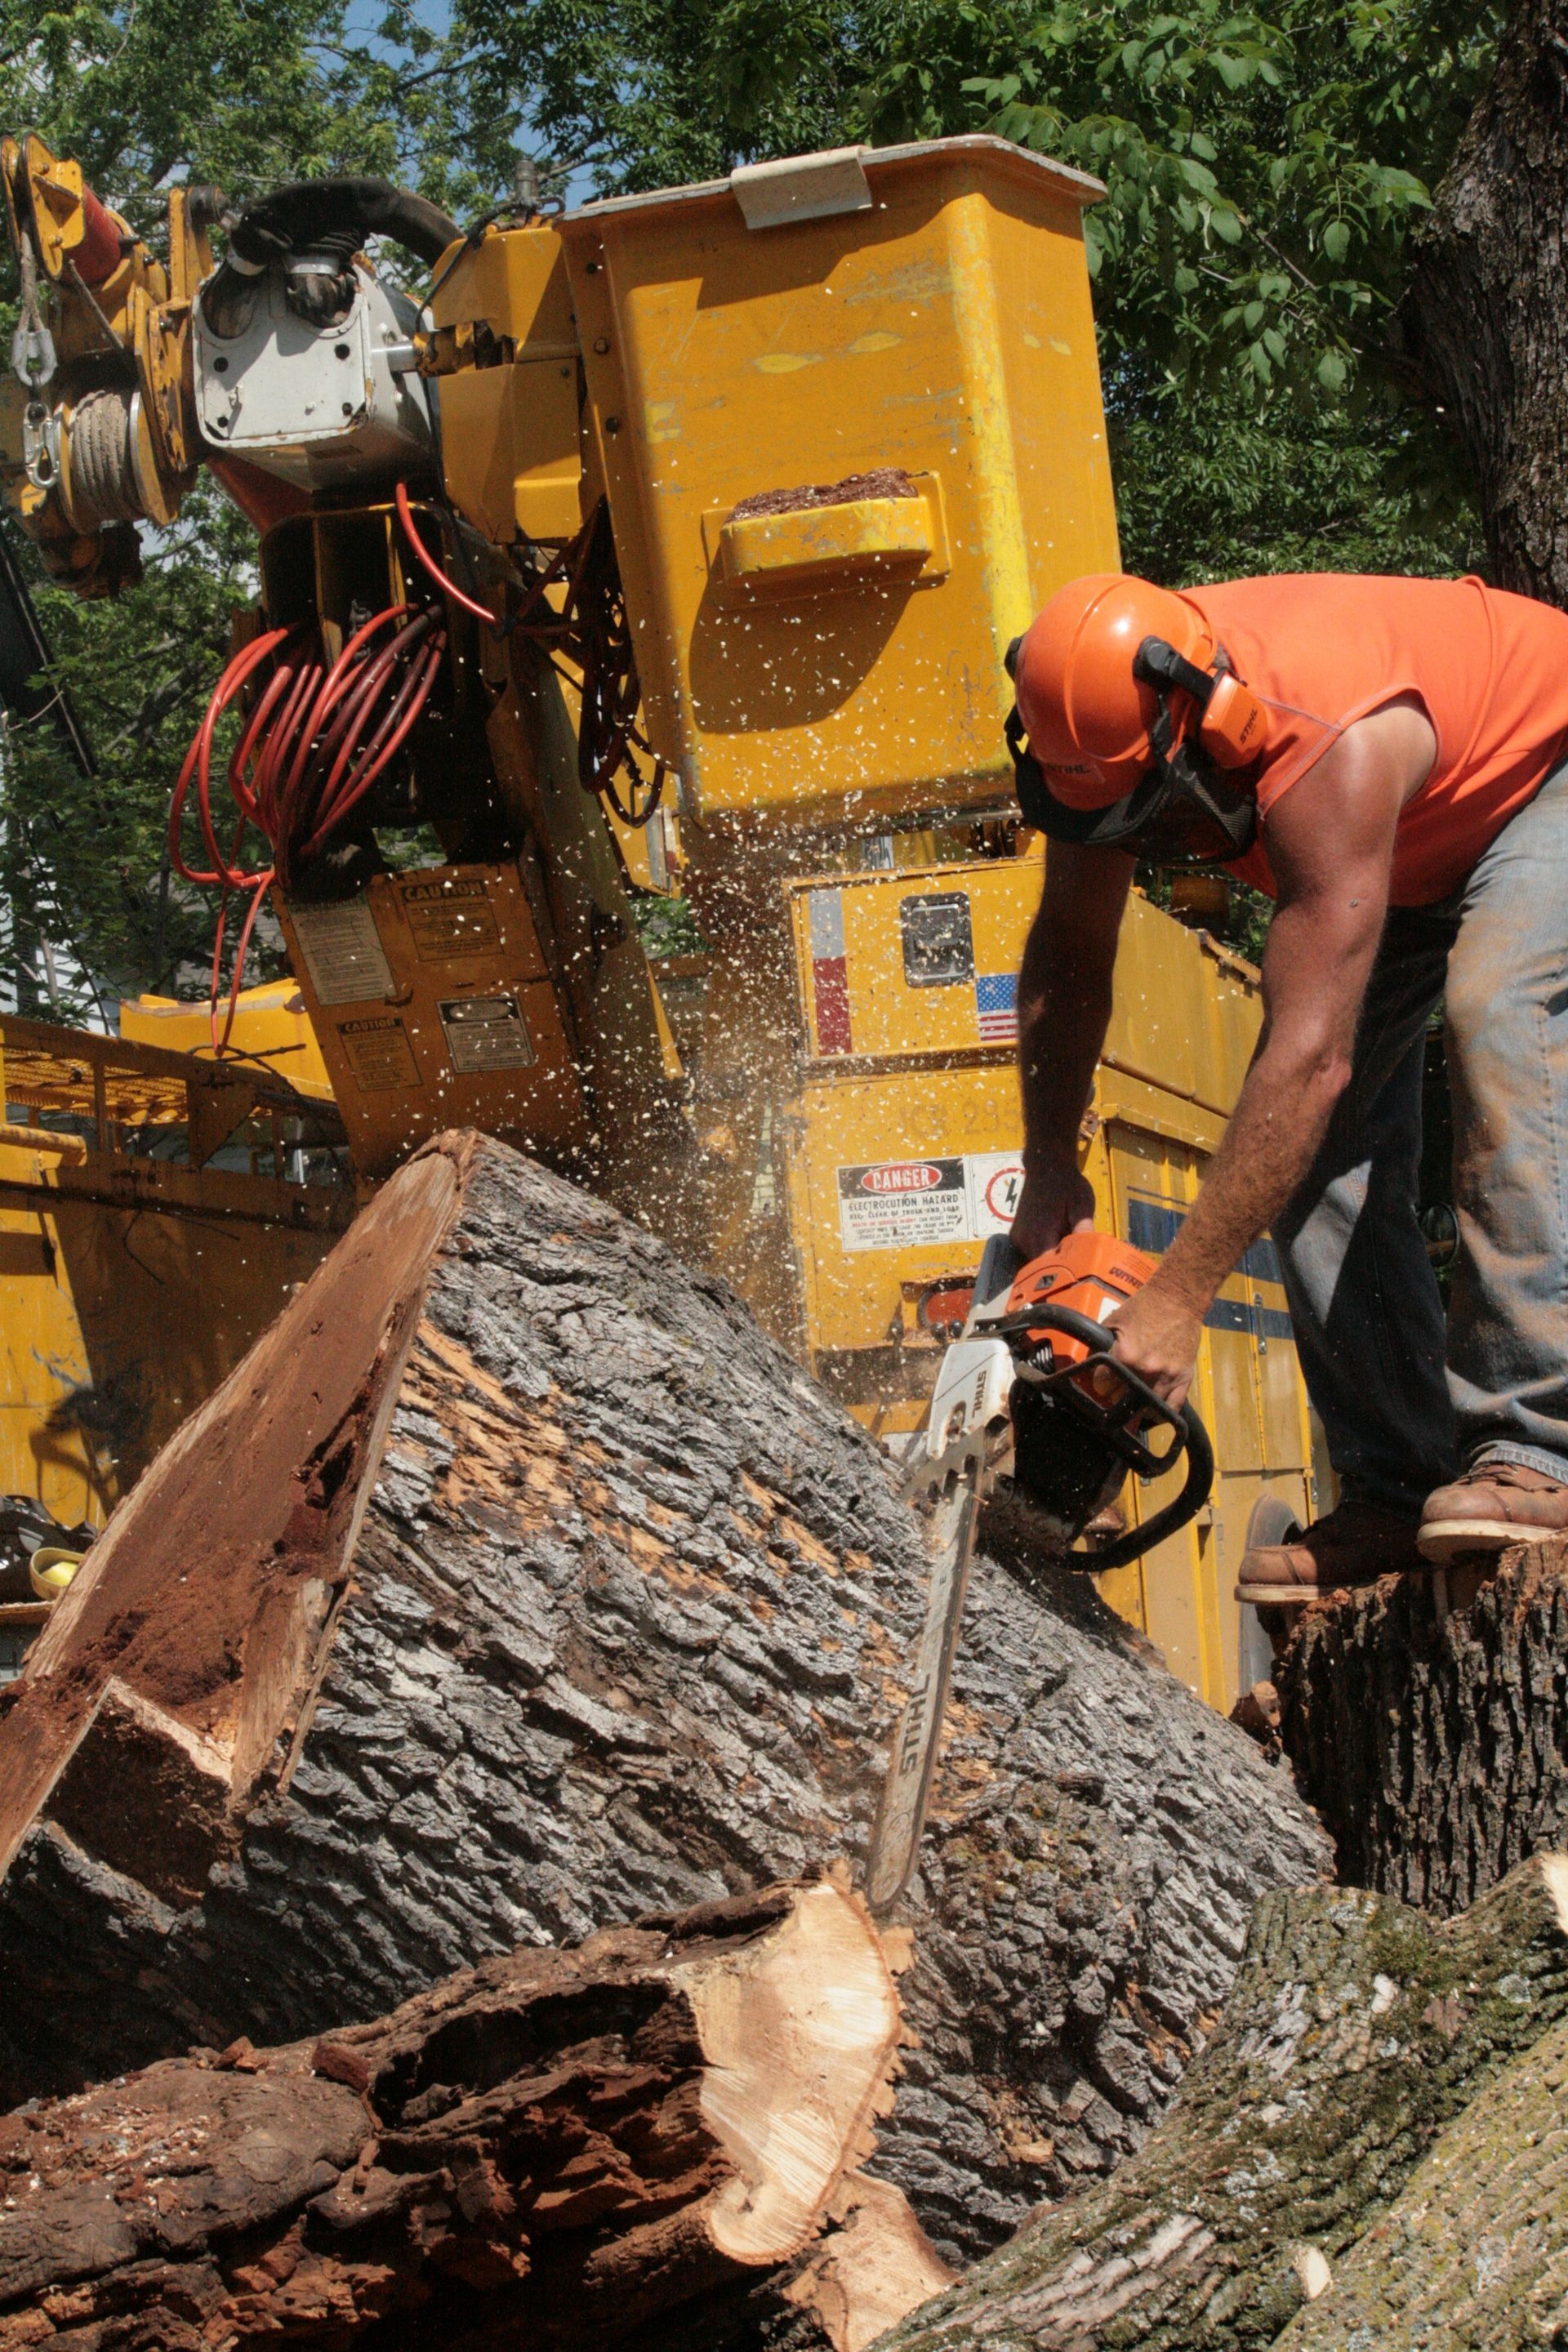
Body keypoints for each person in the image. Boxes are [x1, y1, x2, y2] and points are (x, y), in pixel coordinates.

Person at [1005, 570, 1568, 1602]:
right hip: (1422, 840)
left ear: (1203, 723)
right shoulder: (1107, 737)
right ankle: (1396, 1487)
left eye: (1155, 812)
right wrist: (1048, 1168)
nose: (1152, 840)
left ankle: (1539, 1447)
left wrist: (1177, 1300)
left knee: (1499, 1011)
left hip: (1546, 774)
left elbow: (1310, 1058)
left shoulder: (1328, 744)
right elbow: (1072, 955)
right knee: (1306, 1149)